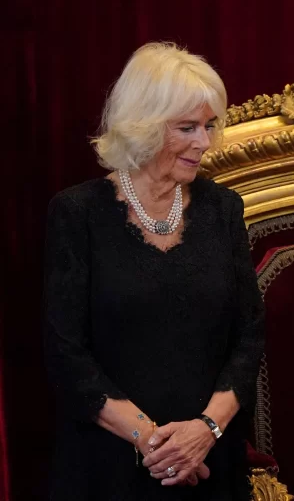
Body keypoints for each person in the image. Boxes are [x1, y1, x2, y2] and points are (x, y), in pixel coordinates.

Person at [44, 42, 264, 500]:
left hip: (211, 461)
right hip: (108, 466)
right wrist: (155, 444)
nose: (204, 142)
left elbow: (249, 338)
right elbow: (65, 353)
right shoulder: (77, 213)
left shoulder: (223, 209)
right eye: (187, 127)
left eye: (209, 125)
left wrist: (204, 431)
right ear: (142, 125)